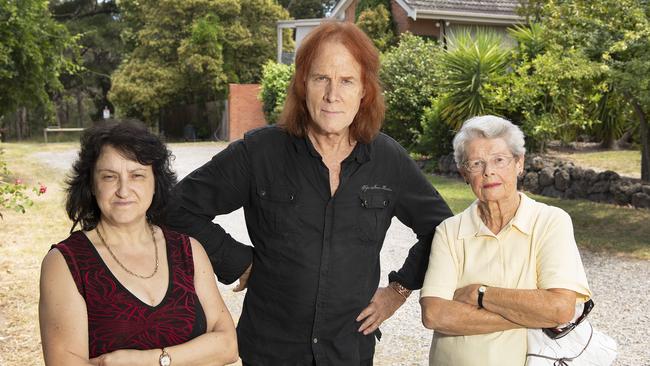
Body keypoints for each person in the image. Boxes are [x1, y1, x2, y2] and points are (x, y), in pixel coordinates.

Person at [164, 21, 453, 365]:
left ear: (364, 91)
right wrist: (237, 259)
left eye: (347, 80)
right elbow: (175, 208)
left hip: (348, 351)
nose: (333, 94)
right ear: (303, 85)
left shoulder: (388, 160)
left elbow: (445, 230)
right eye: (321, 79)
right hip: (271, 349)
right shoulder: (260, 153)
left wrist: (399, 289)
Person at [39, 120, 238, 366]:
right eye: (110, 177)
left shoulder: (188, 251)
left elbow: (228, 346)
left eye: (137, 175)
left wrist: (148, 360)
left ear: (156, 182)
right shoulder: (66, 264)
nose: (124, 190)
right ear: (91, 184)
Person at [419, 115, 592, 365]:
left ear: (519, 163)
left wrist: (480, 294)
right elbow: (435, 315)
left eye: (499, 160)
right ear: (464, 174)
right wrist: (528, 314)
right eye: (476, 163)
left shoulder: (551, 221)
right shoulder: (449, 231)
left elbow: (559, 309)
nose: (489, 171)